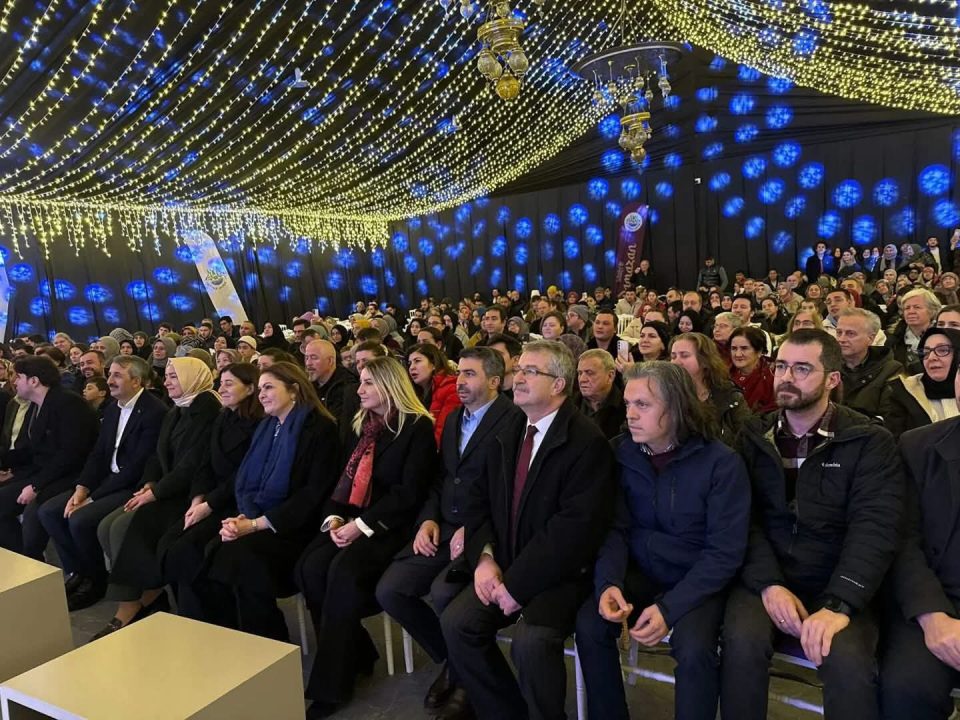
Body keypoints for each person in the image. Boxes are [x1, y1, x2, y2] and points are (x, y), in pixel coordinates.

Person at [719, 329, 903, 720]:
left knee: (848, 663)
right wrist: (768, 584)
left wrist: (840, 602)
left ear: (832, 379)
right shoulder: (753, 435)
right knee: (740, 644)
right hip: (767, 577)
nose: (787, 377)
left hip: (838, 582)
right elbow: (740, 519)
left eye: (802, 369)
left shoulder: (868, 441)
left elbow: (874, 529)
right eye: (782, 366)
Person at [440, 341, 616, 720]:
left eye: (530, 372)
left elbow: (573, 533)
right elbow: (477, 500)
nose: (517, 378)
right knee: (457, 624)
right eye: (518, 369)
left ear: (558, 384)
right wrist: (484, 558)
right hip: (502, 561)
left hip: (559, 576)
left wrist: (517, 585)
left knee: (531, 643)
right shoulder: (510, 428)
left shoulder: (587, 442)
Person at [576, 362, 750, 720]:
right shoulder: (621, 453)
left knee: (695, 648)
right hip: (641, 569)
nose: (630, 414)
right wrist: (608, 583)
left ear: (676, 407)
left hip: (697, 579)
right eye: (628, 403)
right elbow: (615, 528)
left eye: (643, 405)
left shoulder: (721, 463)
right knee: (590, 624)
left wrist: (670, 609)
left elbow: (724, 553)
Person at [376, 348, 521, 718]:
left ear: (494, 381)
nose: (460, 381)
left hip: (484, 531)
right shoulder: (456, 418)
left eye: (470, 374)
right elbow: (442, 477)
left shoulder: (514, 421)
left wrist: (473, 530)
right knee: (391, 590)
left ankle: (464, 680)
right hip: (445, 526)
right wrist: (428, 518)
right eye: (460, 373)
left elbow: (509, 493)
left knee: (444, 593)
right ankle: (455, 663)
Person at [297, 357, 437, 718]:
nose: (358, 390)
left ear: (389, 386)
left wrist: (360, 526)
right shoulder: (364, 426)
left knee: (342, 572)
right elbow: (344, 480)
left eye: (368, 383)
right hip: (354, 518)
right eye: (360, 382)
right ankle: (357, 652)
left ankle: (332, 685)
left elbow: (408, 494)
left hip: (391, 526)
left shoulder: (417, 427)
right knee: (309, 567)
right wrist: (334, 518)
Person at [192, 362, 340, 642]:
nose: (261, 395)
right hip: (262, 518)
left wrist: (255, 524)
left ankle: (267, 643)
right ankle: (247, 638)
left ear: (294, 390)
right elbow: (250, 481)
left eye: (269, 387)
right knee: (214, 551)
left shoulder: (320, 429)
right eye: (260, 389)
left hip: (299, 528)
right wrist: (244, 518)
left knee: (240, 559)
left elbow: (313, 494)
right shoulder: (267, 426)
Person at [89, 358, 222, 636]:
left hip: (188, 494)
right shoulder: (178, 408)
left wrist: (156, 492)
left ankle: (131, 605)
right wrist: (150, 482)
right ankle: (148, 591)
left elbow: (191, 466)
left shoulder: (208, 410)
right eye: (168, 376)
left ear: (191, 378)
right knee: (105, 527)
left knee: (121, 527)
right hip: (165, 488)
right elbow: (156, 456)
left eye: (174, 376)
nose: (167, 381)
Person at [38, 356, 166, 611]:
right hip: (107, 479)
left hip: (131, 485)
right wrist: (82, 488)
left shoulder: (154, 411)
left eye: (118, 375)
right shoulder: (113, 408)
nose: (110, 380)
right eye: (110, 374)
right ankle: (79, 571)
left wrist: (91, 499)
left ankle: (96, 580)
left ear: (136, 381)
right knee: (49, 512)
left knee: (80, 519)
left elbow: (137, 466)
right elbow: (98, 454)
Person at [881, 373, 960, 719]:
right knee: (906, 688)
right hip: (935, 601)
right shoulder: (918, 447)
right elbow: (902, 541)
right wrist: (933, 617)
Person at [158, 363, 263, 621]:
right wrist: (197, 499)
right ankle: (191, 615)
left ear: (250, 389)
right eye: (221, 383)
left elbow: (243, 474)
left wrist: (209, 505)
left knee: (189, 550)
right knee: (168, 543)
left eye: (229, 384)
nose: (221, 389)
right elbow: (204, 463)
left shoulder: (259, 424)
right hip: (211, 498)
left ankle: (213, 620)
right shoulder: (223, 417)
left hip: (237, 503)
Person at [0, 357, 98, 560]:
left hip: (71, 475)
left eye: (18, 377)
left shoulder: (69, 403)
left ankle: (31, 562)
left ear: (34, 381)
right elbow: (32, 450)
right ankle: (21, 560)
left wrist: (36, 485)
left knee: (35, 512)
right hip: (46, 472)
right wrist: (5, 463)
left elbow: (70, 454)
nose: (14, 382)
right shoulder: (39, 404)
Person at [670, 333, 750, 444]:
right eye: (673, 356)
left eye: (684, 355)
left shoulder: (730, 397)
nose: (676, 362)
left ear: (704, 361)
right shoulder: (666, 395)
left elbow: (746, 439)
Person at [881, 327, 960, 439]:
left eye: (942, 350)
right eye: (925, 352)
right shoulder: (904, 391)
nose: (931, 358)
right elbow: (896, 442)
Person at [835, 309, 903, 418]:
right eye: (839, 333)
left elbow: (888, 417)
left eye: (850, 333)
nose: (841, 339)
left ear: (871, 338)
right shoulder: (826, 366)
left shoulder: (891, 370)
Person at [303, 339, 359, 443]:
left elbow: (335, 428)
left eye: (314, 358)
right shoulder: (308, 385)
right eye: (306, 358)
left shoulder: (347, 388)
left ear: (330, 361)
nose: (308, 363)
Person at [407, 342, 461, 447]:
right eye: (409, 363)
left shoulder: (451, 389)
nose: (411, 367)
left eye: (417, 361)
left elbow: (443, 433)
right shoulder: (415, 393)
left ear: (433, 364)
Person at [887, 288, 941, 374]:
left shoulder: (944, 337)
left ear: (932, 311)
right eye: (907, 308)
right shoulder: (893, 340)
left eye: (917, 307)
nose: (911, 312)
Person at [576, 349, 625, 439]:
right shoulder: (569, 404)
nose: (582, 379)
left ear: (610, 376)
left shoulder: (626, 408)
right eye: (580, 373)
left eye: (589, 373)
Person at [729, 327, 776, 412]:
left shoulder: (773, 376)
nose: (738, 354)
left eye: (744, 348)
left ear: (759, 351)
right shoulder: (724, 374)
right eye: (734, 348)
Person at [487, 333, 521, 400]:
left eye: (498, 354)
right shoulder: (483, 392)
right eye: (489, 354)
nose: (492, 359)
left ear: (515, 360)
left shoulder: (524, 394)